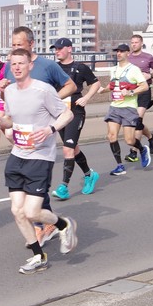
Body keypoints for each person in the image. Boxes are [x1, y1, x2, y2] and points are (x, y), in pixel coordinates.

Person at [0, 48, 77, 274]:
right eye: (13, 64)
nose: (17, 67)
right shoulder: (9, 91)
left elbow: (67, 114)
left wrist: (50, 129)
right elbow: (11, 120)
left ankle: (63, 224)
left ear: (30, 66)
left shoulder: (43, 90)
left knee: (32, 212)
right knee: (17, 211)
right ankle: (39, 256)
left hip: (40, 157)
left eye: (21, 63)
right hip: (17, 155)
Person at [49, 37, 101, 199]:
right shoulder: (54, 68)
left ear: (69, 49)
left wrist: (86, 98)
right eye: (55, 49)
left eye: (60, 48)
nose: (57, 51)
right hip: (60, 113)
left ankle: (64, 187)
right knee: (72, 147)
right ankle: (89, 174)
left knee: (67, 149)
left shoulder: (80, 67)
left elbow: (96, 83)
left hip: (76, 112)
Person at [104, 44, 151, 175]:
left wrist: (131, 92)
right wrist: (103, 90)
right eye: (117, 51)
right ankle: (120, 166)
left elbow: (144, 86)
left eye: (121, 51)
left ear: (128, 53)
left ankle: (142, 149)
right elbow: (112, 85)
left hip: (129, 108)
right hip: (114, 107)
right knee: (111, 136)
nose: (118, 53)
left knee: (129, 140)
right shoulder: (113, 69)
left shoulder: (134, 69)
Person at [126, 34, 153, 157]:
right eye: (132, 42)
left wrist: (150, 75)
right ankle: (151, 137)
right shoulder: (127, 57)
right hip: (130, 93)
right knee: (133, 121)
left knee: (137, 120)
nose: (134, 44)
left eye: (136, 42)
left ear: (141, 43)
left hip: (144, 91)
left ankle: (133, 151)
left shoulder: (148, 57)